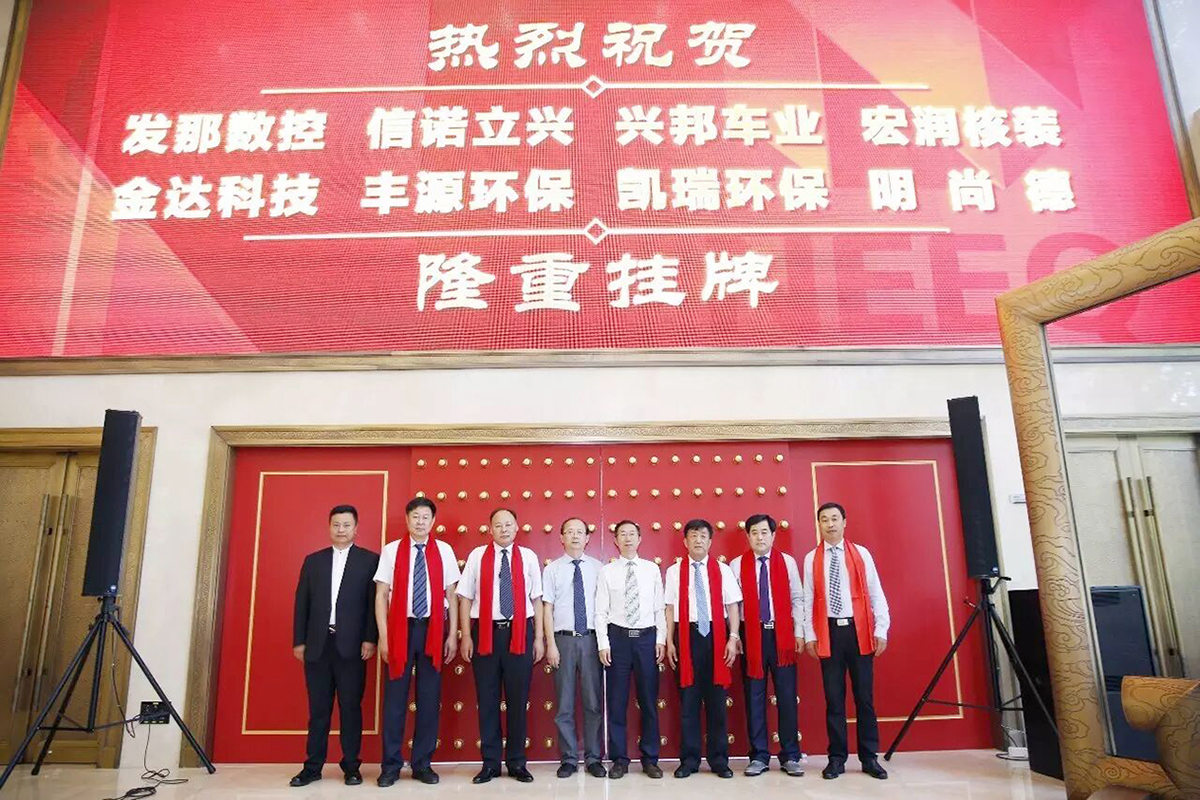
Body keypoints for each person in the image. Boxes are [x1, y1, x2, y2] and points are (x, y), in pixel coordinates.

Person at [290, 505, 380, 787]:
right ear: (329, 527)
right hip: (317, 646)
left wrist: (370, 638)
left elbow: (373, 605)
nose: (341, 530)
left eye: (346, 525)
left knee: (351, 708)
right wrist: (299, 641)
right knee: (318, 710)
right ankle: (312, 767)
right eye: (336, 525)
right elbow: (301, 603)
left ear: (356, 528)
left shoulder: (370, 560)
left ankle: (351, 766)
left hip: (352, 647)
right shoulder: (313, 561)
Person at [373, 497, 460, 786]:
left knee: (428, 699)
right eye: (415, 517)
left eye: (425, 517)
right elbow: (381, 594)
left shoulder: (444, 551)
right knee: (395, 701)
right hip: (400, 630)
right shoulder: (391, 550)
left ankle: (422, 764)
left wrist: (452, 634)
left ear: (433, 521)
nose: (420, 522)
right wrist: (383, 636)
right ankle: (391, 766)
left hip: (433, 630)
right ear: (407, 519)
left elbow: (451, 596)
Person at [802, 502, 891, 781]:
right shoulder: (811, 559)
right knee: (834, 700)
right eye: (824, 519)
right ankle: (836, 758)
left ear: (844, 522)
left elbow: (875, 592)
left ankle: (869, 757)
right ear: (819, 524)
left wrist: (882, 629)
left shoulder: (861, 554)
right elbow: (807, 599)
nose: (830, 524)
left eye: (834, 518)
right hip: (829, 632)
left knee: (864, 698)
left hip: (859, 631)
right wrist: (810, 635)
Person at [457, 508, 545, 784]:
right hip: (485, 634)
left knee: (518, 700)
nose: (504, 529)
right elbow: (465, 597)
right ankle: (490, 763)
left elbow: (537, 600)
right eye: (498, 525)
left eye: (508, 525)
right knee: (487, 699)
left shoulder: (528, 557)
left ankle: (517, 762)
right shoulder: (477, 556)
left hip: (520, 633)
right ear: (490, 529)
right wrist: (466, 635)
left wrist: (539, 637)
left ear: (517, 528)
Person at [664, 518, 742, 779]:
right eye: (693, 536)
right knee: (688, 702)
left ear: (710, 542)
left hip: (717, 637)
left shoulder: (723, 570)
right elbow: (670, 608)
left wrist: (733, 637)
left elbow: (732, 605)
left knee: (717, 702)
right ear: (685, 541)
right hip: (687, 637)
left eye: (703, 536)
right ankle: (689, 760)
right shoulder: (674, 572)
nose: (698, 540)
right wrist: (670, 641)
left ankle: (719, 760)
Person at [729, 514, 806, 777]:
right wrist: (735, 636)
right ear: (748, 536)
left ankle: (790, 755)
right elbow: (733, 605)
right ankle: (759, 756)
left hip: (782, 636)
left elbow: (797, 598)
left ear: (773, 535)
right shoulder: (737, 565)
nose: (759, 537)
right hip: (752, 636)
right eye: (754, 533)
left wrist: (799, 632)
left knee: (786, 696)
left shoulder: (787, 562)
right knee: (754, 697)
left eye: (764, 532)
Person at [595, 520, 667, 780]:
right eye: (622, 534)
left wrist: (661, 639)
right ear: (615, 541)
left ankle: (650, 759)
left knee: (649, 701)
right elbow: (600, 611)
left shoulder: (651, 569)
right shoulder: (607, 571)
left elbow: (659, 608)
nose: (627, 538)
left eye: (632, 534)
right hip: (618, 640)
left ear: (640, 539)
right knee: (617, 702)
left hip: (647, 639)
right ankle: (619, 760)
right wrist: (603, 643)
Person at [542, 517, 606, 778]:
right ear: (562, 537)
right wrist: (550, 644)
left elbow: (604, 608)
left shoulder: (599, 568)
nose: (575, 536)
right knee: (564, 704)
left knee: (593, 703)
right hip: (563, 640)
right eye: (570, 532)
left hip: (591, 640)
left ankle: (593, 758)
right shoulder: (552, 570)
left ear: (588, 538)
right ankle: (568, 759)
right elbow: (547, 609)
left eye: (580, 532)